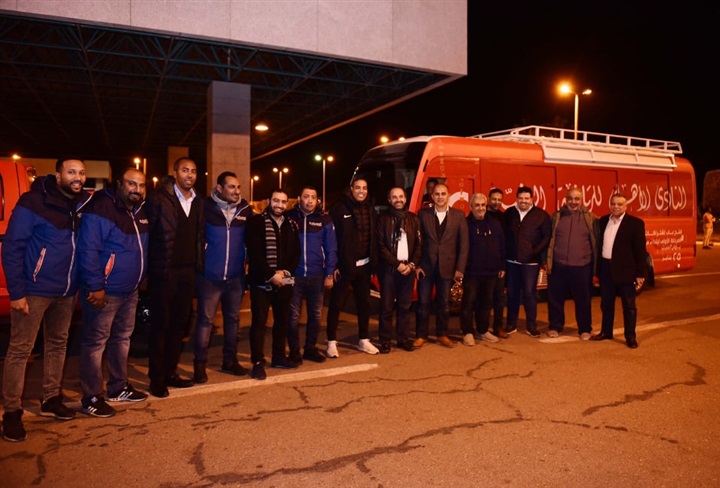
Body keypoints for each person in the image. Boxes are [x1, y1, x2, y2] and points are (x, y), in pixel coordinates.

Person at [1, 158, 91, 442]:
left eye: (81, 173)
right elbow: (12, 247)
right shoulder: (33, 202)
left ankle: (51, 398)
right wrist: (17, 292)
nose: (78, 177)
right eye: (71, 172)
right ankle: (11, 412)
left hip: (66, 291)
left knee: (57, 345)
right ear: (58, 175)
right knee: (20, 350)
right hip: (34, 290)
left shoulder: (82, 204)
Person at [77, 168, 149, 418]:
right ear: (119, 184)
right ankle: (91, 396)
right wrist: (96, 286)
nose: (137, 189)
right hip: (105, 291)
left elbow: (141, 248)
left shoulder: (139, 210)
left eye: (141, 185)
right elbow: (88, 249)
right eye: (132, 184)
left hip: (130, 290)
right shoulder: (101, 208)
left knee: (122, 339)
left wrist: (142, 276)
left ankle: (118, 387)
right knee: (95, 343)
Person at [145, 157, 203, 397]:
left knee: (180, 325)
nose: (190, 175)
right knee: (161, 325)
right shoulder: (158, 199)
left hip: (188, 271)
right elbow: (148, 236)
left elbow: (199, 236)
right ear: (175, 172)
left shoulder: (198, 201)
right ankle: (156, 379)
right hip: (164, 271)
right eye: (185, 170)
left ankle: (170, 372)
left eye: (193, 171)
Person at [193, 172, 254, 384]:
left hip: (236, 277)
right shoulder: (205, 207)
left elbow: (253, 240)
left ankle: (230, 361)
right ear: (219, 188)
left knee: (233, 320)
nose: (236, 191)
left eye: (238, 187)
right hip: (209, 277)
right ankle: (199, 365)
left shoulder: (245, 210)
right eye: (231, 187)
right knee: (205, 321)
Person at [246, 189, 301, 380]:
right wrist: (271, 275)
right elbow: (254, 253)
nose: (279, 205)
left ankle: (278, 356)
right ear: (268, 201)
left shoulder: (291, 224)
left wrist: (286, 273)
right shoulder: (256, 222)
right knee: (259, 323)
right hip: (261, 281)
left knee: (282, 321)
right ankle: (257, 362)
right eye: (276, 201)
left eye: (283, 202)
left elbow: (296, 252)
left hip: (285, 280)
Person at [326, 178, 379, 357]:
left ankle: (363, 340)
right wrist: (334, 265)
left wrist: (373, 262)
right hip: (344, 267)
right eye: (358, 188)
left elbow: (373, 237)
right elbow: (331, 240)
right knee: (336, 304)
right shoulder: (339, 209)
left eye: (364, 188)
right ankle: (331, 342)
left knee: (364, 305)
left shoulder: (371, 210)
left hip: (364, 267)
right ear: (351, 189)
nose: (361, 191)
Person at [286, 186, 338, 364]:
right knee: (293, 316)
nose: (309, 200)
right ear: (299, 198)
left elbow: (331, 249)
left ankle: (310, 349)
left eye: (313, 197)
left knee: (315, 315)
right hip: (293, 277)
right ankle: (294, 351)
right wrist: (284, 276)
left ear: (318, 200)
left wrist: (329, 274)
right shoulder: (289, 217)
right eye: (306, 196)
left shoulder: (324, 219)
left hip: (317, 276)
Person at [414, 183, 469, 348]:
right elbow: (417, 242)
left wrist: (460, 269)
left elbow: (464, 245)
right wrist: (417, 265)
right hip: (426, 268)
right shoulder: (423, 215)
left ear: (448, 195)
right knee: (423, 303)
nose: (440, 197)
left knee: (444, 304)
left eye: (443, 194)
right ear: (432, 196)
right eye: (437, 194)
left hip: (448, 267)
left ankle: (442, 334)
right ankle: (421, 335)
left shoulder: (459, 216)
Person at [591, 193, 647, 349]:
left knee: (629, 306)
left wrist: (640, 273)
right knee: (606, 304)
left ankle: (630, 337)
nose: (616, 206)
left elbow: (640, 250)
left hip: (626, 271)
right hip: (606, 269)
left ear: (626, 206)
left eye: (619, 204)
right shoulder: (603, 221)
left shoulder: (635, 224)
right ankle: (606, 332)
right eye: (613, 203)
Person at [546, 187, 599, 340]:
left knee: (583, 300)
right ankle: (555, 326)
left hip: (582, 267)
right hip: (558, 265)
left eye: (577, 199)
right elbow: (548, 240)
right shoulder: (556, 217)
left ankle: (584, 329)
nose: (573, 202)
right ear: (566, 199)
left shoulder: (591, 219)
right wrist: (546, 261)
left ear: (581, 200)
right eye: (570, 198)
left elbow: (597, 241)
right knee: (555, 299)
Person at [376, 187, 422, 353]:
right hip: (389, 270)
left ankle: (403, 339)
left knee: (405, 307)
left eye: (401, 196)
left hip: (408, 270)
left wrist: (411, 265)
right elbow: (381, 246)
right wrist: (397, 264)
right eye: (394, 197)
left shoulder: (414, 219)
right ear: (389, 200)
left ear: (405, 198)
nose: (398, 200)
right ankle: (385, 340)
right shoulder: (382, 219)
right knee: (386, 307)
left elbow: (419, 246)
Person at [504, 186, 551, 338]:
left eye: (526, 198)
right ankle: (511, 324)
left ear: (532, 199)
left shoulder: (541, 215)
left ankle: (531, 326)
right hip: (512, 261)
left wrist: (534, 252)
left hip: (530, 263)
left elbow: (546, 237)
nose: (523, 201)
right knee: (512, 293)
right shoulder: (509, 213)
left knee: (530, 294)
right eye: (520, 198)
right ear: (516, 198)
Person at [461, 193, 506, 346]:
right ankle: (467, 332)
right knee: (468, 303)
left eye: (483, 205)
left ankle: (483, 330)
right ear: (471, 207)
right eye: (477, 205)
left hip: (491, 272)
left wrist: (502, 265)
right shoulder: (465, 224)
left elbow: (502, 245)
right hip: (471, 272)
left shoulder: (495, 223)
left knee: (486, 303)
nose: (480, 208)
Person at [487, 187, 508, 338]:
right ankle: (482, 327)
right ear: (488, 199)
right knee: (484, 298)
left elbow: (504, 243)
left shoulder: (503, 217)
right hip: (483, 265)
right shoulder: (480, 214)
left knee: (499, 298)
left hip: (498, 265)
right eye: (494, 199)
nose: (496, 202)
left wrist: (503, 265)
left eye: (499, 200)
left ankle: (498, 326)